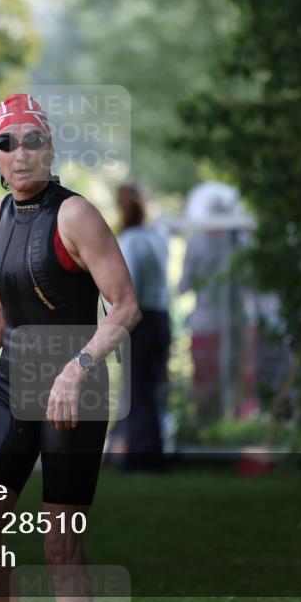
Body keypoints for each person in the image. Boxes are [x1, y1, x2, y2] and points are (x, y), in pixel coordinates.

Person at [0, 93, 141, 602]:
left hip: (76, 389)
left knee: (60, 549)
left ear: (50, 149)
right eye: (8, 143)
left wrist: (79, 368)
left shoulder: (75, 214)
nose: (21, 152)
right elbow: (5, 307)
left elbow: (125, 307)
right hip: (14, 384)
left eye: (33, 141)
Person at [114, 183, 170, 470]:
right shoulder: (157, 236)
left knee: (138, 389)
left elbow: (127, 287)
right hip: (162, 317)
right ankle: (152, 451)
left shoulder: (131, 240)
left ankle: (141, 456)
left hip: (141, 319)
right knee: (153, 387)